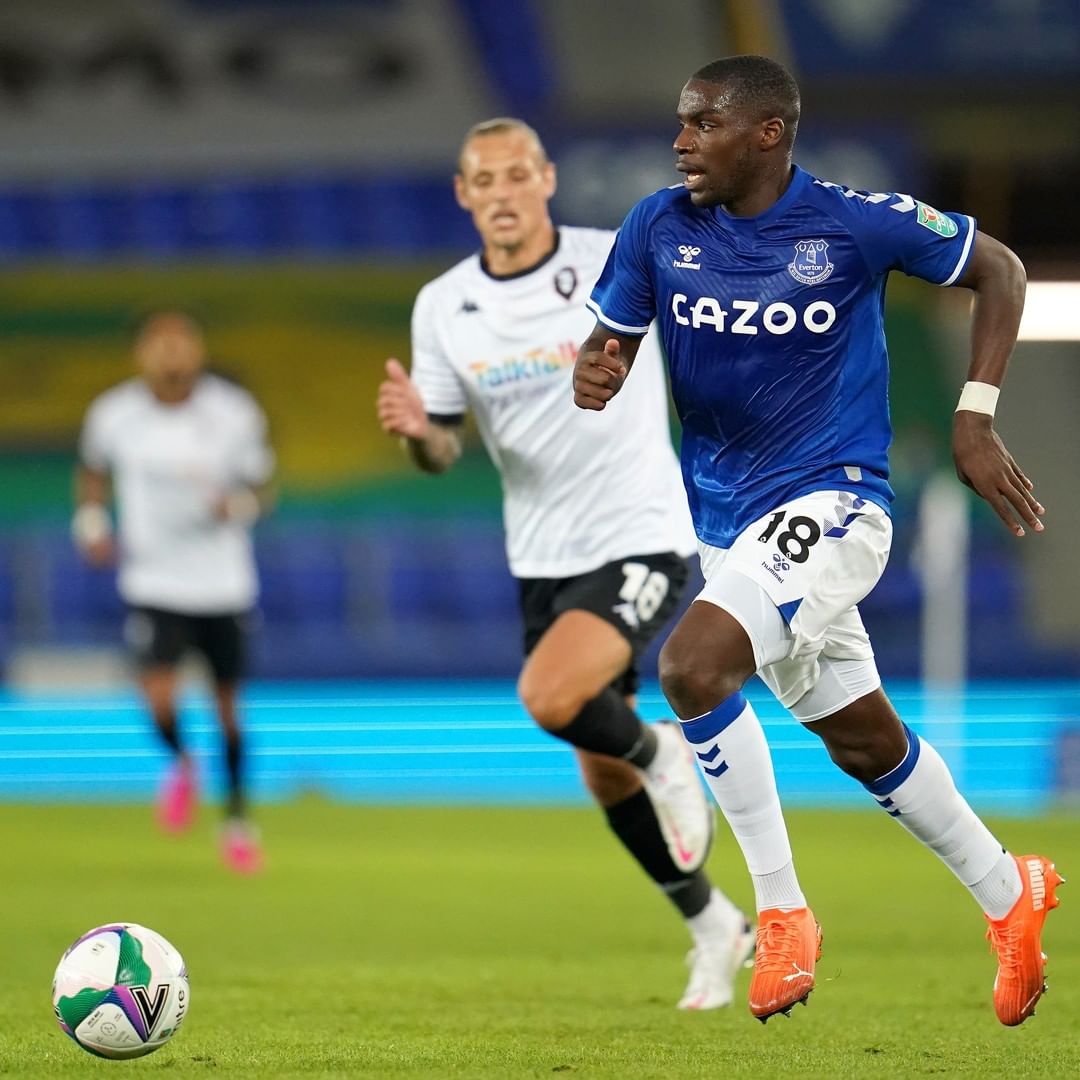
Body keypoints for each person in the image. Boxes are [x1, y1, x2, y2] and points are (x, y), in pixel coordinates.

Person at [573, 54, 1061, 1026]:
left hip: (837, 503)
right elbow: (609, 343)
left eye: (701, 123)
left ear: (767, 133)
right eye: (679, 121)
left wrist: (974, 415)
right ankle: (1013, 896)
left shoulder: (852, 221)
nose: (680, 142)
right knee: (861, 738)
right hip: (725, 522)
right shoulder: (659, 225)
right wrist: (600, 366)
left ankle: (783, 911)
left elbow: (999, 268)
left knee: (694, 669)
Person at [376, 118, 753, 1009]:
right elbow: (443, 449)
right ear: (464, 195)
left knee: (550, 697)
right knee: (598, 764)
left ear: (545, 178)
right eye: (483, 179)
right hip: (541, 554)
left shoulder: (617, 256)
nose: (502, 191)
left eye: (517, 173)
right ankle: (713, 925)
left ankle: (667, 751)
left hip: (641, 530)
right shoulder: (443, 306)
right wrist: (420, 435)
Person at [74, 311, 274, 874]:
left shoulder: (232, 413)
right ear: (142, 353)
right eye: (159, 345)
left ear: (198, 351)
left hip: (222, 583)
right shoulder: (115, 414)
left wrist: (237, 506)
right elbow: (92, 469)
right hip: (153, 578)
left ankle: (237, 820)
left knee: (229, 712)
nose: (170, 354)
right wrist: (91, 522)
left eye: (180, 343)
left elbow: (260, 485)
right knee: (158, 699)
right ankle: (183, 760)